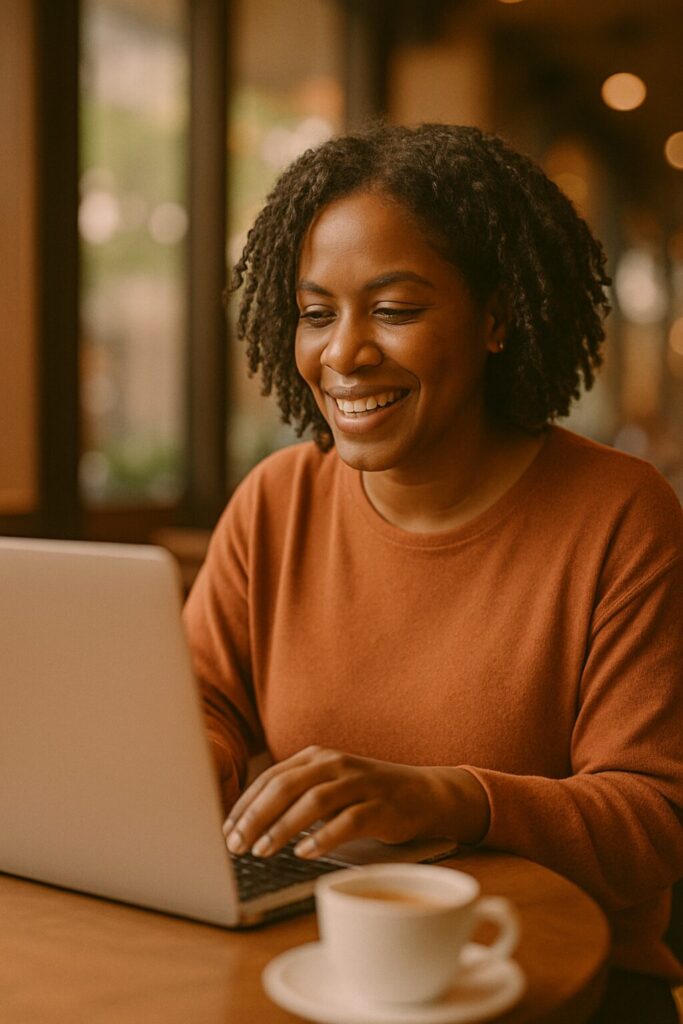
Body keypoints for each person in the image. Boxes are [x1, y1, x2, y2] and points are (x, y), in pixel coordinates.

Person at [182, 123, 683, 1020]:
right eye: (316, 313)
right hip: (323, 958)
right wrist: (198, 761)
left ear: (495, 317)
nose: (343, 354)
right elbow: (204, 700)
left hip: (562, 982)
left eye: (394, 310)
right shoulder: (276, 500)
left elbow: (654, 819)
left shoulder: (619, 514)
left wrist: (451, 798)